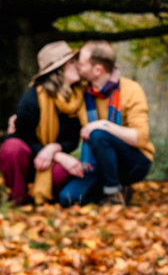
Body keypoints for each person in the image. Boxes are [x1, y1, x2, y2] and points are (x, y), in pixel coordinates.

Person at [59, 41, 154, 207]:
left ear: (97, 70)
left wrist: (103, 125)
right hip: (98, 164)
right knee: (68, 198)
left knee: (98, 134)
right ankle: (116, 188)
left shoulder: (131, 89)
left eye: (81, 64)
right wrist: (21, 115)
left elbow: (141, 137)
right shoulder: (81, 91)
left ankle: (113, 195)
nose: (78, 67)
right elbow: (58, 104)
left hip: (134, 161)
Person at [0, 42, 85, 206]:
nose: (78, 66)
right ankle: (19, 198)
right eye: (72, 62)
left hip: (51, 162)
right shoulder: (31, 98)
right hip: (28, 158)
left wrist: (55, 149)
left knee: (62, 172)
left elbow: (72, 140)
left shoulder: (76, 99)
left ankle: (46, 197)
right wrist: (54, 152)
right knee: (11, 149)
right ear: (58, 70)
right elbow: (23, 137)